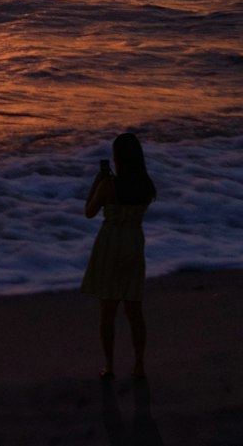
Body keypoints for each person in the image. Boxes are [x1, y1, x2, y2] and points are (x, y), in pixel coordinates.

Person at [81, 131, 156, 379]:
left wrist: (98, 180)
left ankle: (110, 366)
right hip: (134, 244)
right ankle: (139, 364)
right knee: (134, 310)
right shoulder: (146, 186)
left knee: (108, 311)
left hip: (110, 245)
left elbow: (89, 211)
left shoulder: (109, 185)